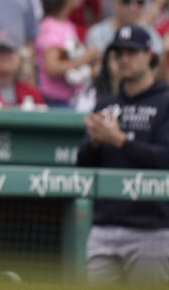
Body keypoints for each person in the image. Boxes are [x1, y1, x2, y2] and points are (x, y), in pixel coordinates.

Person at [77, 24, 169, 284]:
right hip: (105, 224)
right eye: (119, 54)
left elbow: (165, 159)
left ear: (149, 55)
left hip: (152, 227)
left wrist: (120, 141)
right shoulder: (106, 104)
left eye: (132, 53)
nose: (124, 59)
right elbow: (83, 166)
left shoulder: (165, 101)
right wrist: (94, 143)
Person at [35, 0, 99, 107]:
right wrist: (86, 58)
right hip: (55, 102)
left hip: (73, 99)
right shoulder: (50, 27)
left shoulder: (66, 24)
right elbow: (52, 68)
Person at [87, 0, 165, 56]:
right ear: (113, 2)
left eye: (140, 1)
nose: (133, 7)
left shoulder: (150, 34)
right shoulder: (97, 33)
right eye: (126, 0)